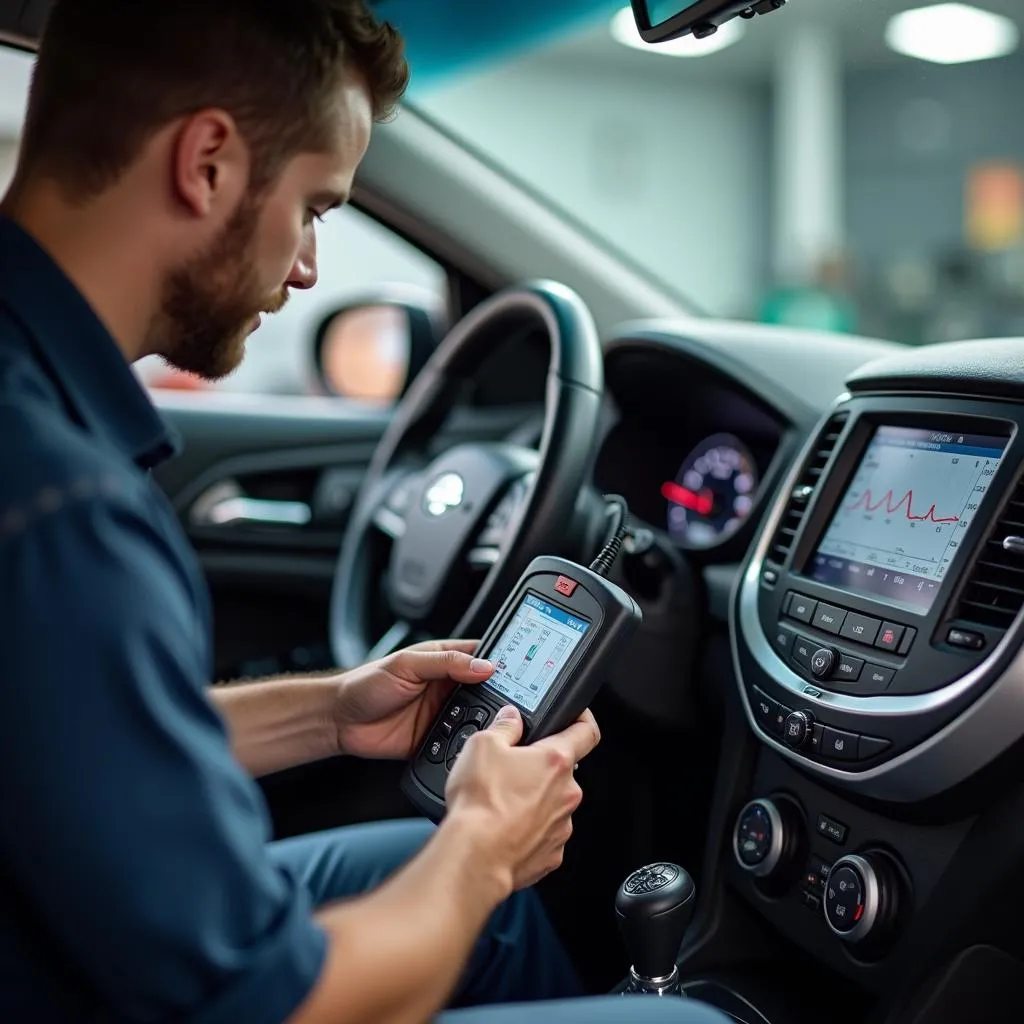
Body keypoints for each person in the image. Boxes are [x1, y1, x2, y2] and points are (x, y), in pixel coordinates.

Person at [0, 2, 730, 1022]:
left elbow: (75, 728)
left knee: (475, 901)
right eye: (312, 207)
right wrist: (482, 847)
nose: (305, 267)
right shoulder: (62, 508)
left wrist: (334, 710)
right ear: (206, 161)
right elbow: (270, 1004)